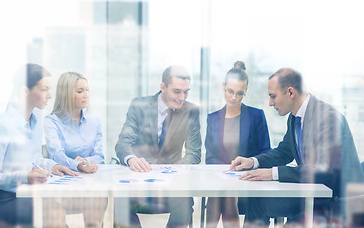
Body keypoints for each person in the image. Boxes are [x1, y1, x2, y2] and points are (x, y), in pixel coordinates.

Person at [230, 68, 364, 226]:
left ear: (290, 93)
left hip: (336, 201)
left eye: (273, 96)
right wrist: (253, 161)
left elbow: (324, 170)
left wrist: (273, 173)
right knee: (257, 201)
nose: (270, 103)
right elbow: (284, 152)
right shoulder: (295, 118)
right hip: (313, 193)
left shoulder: (328, 118)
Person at [0, 63, 77, 228]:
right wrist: (25, 176)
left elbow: (34, 157)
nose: (49, 96)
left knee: (57, 211)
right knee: (54, 212)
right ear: (25, 91)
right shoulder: (2, 126)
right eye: (44, 89)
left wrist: (53, 166)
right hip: (1, 200)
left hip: (25, 192)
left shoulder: (36, 119)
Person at [114, 65, 202, 228]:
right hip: (139, 180)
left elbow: (194, 154)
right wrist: (132, 159)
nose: (182, 97)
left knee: (184, 200)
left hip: (172, 183)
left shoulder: (191, 111)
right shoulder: (139, 105)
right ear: (163, 87)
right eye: (177, 91)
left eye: (186, 92)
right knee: (121, 200)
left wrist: (171, 171)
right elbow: (123, 143)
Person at [205, 61, 271, 228]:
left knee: (222, 195)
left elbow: (266, 152)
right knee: (222, 194)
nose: (234, 97)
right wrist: (226, 174)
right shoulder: (213, 118)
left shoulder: (256, 116)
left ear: (246, 92)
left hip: (248, 180)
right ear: (223, 87)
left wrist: (244, 169)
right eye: (230, 92)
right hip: (222, 179)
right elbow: (211, 156)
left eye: (240, 93)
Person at [45, 71, 107, 228]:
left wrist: (87, 162)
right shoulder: (52, 121)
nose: (86, 95)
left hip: (90, 184)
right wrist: (77, 165)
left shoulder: (94, 120)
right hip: (63, 184)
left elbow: (99, 155)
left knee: (96, 210)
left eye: (87, 90)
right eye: (80, 91)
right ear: (66, 94)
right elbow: (57, 155)